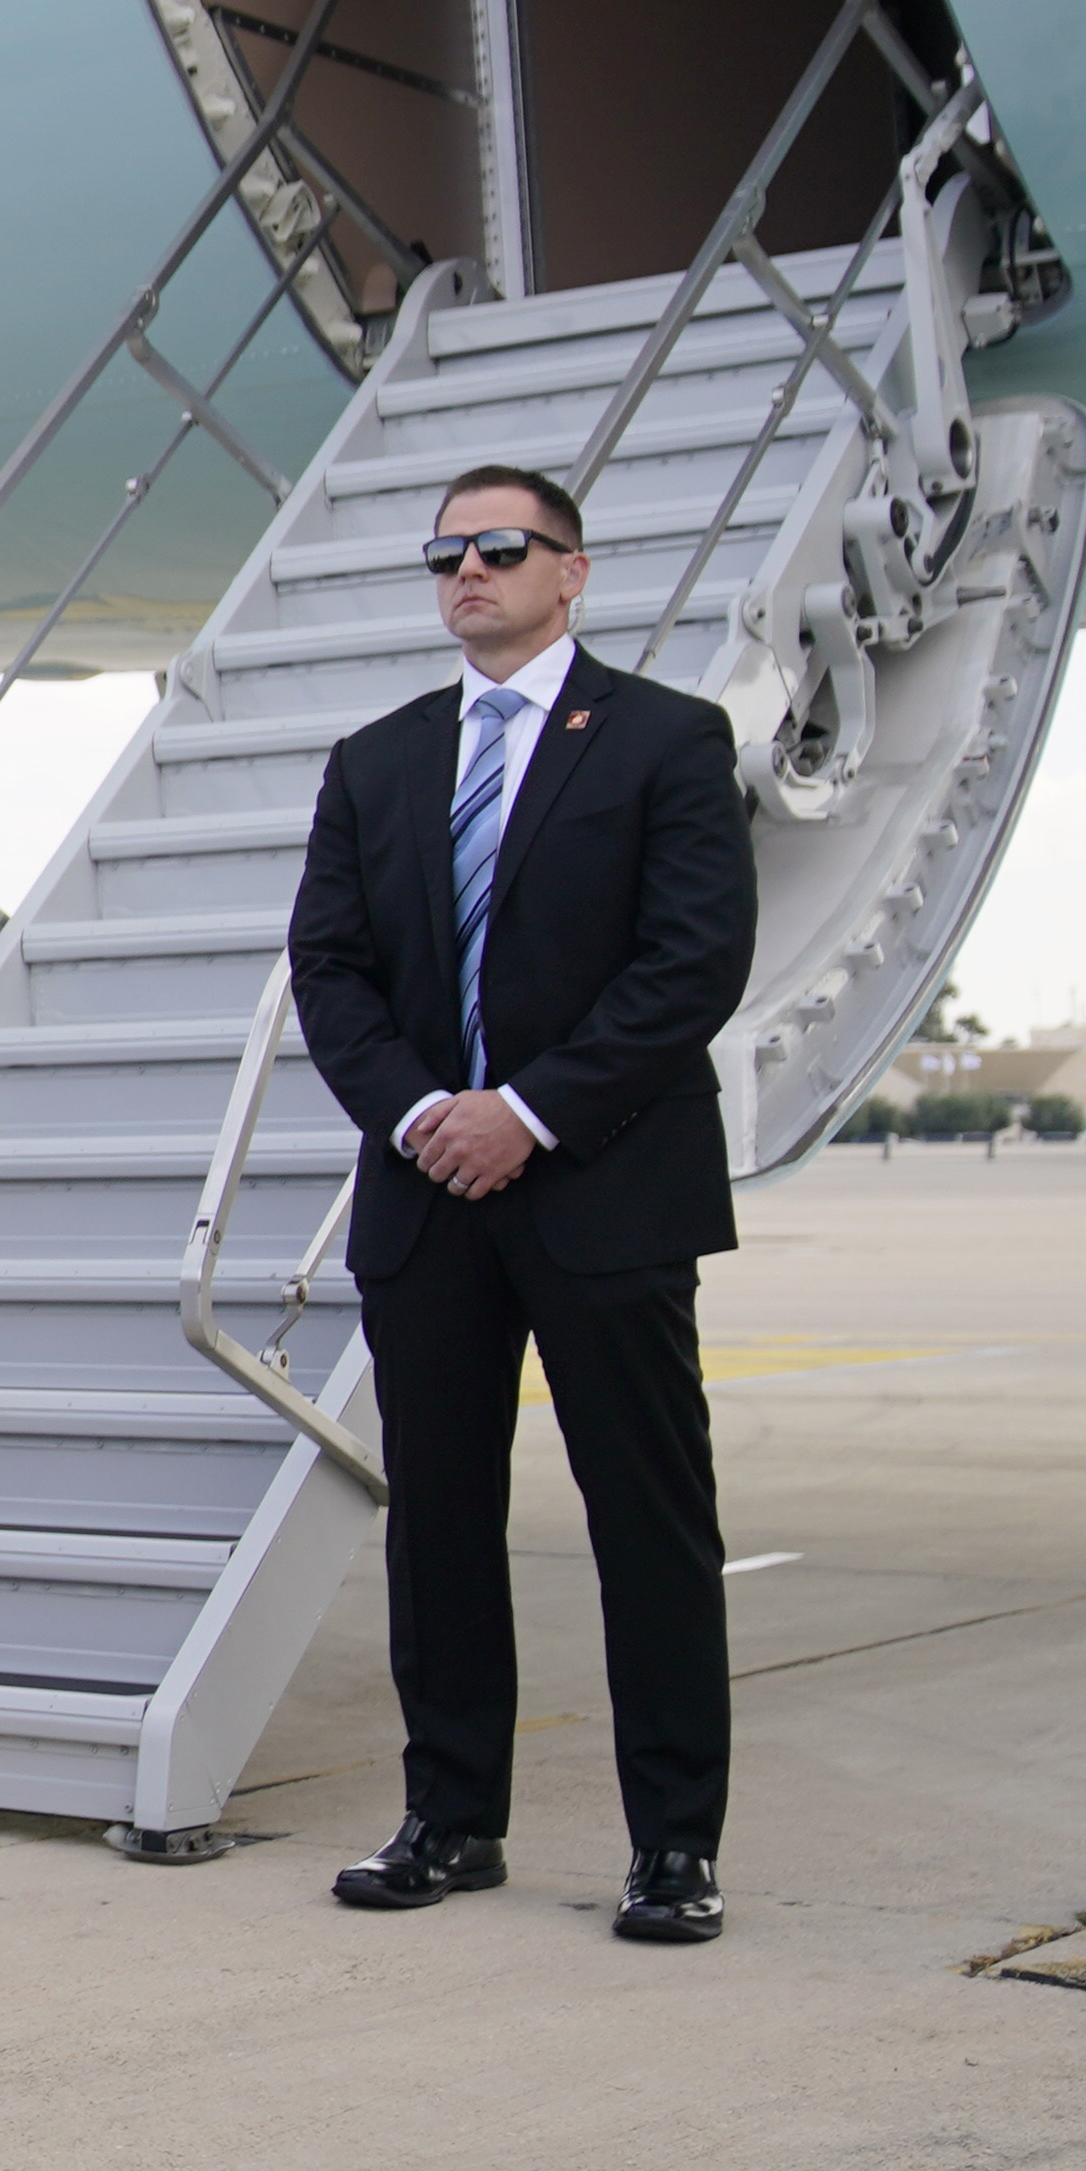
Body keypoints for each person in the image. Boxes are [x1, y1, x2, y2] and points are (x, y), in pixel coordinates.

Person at [285, 461, 757, 1949]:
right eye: (446, 556)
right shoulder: (377, 760)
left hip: (603, 1183)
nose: (468, 574)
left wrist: (529, 1113)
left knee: (650, 1525)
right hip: (431, 1194)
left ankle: (675, 1848)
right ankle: (450, 1821)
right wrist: (429, 1115)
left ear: (574, 571)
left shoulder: (669, 741)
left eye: (500, 548)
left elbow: (693, 965)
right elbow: (332, 970)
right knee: (436, 1525)